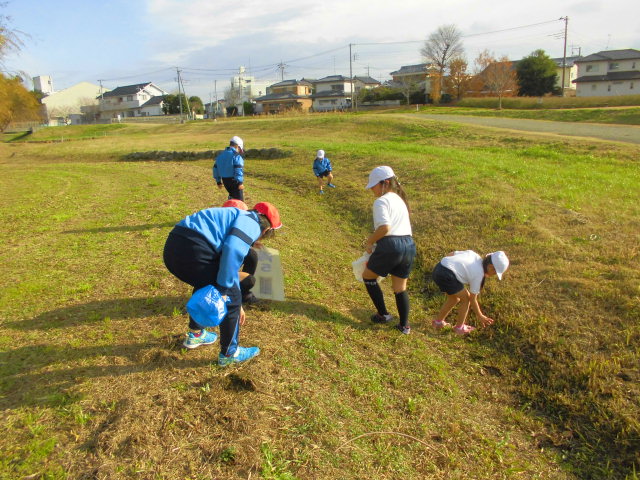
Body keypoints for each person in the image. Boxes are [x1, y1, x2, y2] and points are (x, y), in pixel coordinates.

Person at [163, 201, 282, 366]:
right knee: (232, 298)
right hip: (193, 250)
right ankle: (229, 354)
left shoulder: (238, 215)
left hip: (173, 249)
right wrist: (226, 290)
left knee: (207, 284)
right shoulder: (252, 222)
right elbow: (232, 250)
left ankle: (196, 334)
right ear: (267, 229)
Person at [362, 166, 416, 334]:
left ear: (384, 183)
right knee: (400, 287)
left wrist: (370, 242)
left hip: (391, 245)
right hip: (408, 245)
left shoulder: (381, 201)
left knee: (368, 276)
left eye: (373, 185)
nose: (372, 189)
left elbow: (385, 227)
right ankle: (404, 326)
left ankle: (383, 314)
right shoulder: (400, 200)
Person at [431, 250, 510, 335]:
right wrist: (480, 316)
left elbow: (451, 254)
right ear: (490, 267)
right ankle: (459, 328)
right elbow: (472, 299)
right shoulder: (479, 275)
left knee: (454, 299)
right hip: (447, 275)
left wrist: (450, 266)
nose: (493, 275)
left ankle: (438, 323)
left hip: (439, 267)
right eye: (495, 273)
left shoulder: (474, 255)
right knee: (466, 299)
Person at [222, 199, 260, 305]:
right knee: (249, 280)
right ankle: (230, 292)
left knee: (251, 255)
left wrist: (252, 243)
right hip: (219, 266)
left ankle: (244, 293)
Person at [214, 135, 245, 201]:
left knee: (232, 195)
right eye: (239, 149)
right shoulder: (236, 156)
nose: (239, 151)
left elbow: (215, 169)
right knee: (240, 201)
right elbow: (238, 169)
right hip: (235, 181)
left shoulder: (220, 155)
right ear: (237, 146)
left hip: (225, 181)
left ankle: (230, 202)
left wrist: (218, 181)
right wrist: (240, 183)